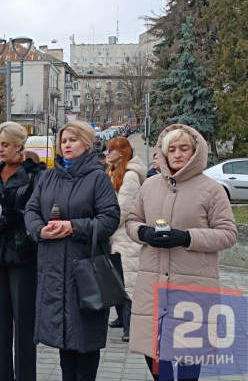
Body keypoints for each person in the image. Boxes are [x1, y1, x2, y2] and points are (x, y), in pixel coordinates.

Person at [126, 124, 238, 381]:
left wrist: (187, 237)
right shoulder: (150, 185)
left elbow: (228, 233)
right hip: (152, 284)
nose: (177, 154)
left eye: (183, 148)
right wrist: (144, 233)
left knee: (189, 356)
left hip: (192, 286)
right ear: (163, 153)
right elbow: (132, 220)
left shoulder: (212, 190)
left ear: (195, 151)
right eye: (172, 149)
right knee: (153, 352)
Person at [25, 120, 120, 380]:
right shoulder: (49, 175)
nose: (67, 145)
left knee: (85, 341)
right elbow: (31, 210)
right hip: (53, 268)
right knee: (63, 341)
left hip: (86, 270)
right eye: (63, 140)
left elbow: (110, 219)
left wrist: (73, 227)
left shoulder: (97, 177)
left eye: (73, 140)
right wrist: (38, 230)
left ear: (86, 144)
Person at [0, 122, 44, 381]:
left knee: (24, 323)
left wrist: (13, 217)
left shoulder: (36, 174)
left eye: (5, 145)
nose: (0, 149)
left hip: (23, 254)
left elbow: (37, 210)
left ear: (19, 145)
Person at [104, 137, 146, 343]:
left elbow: (123, 208)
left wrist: (106, 226)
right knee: (116, 280)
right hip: (115, 235)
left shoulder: (130, 175)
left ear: (121, 153)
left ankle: (131, 326)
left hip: (124, 235)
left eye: (110, 150)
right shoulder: (113, 170)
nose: (106, 153)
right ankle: (121, 319)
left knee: (128, 281)